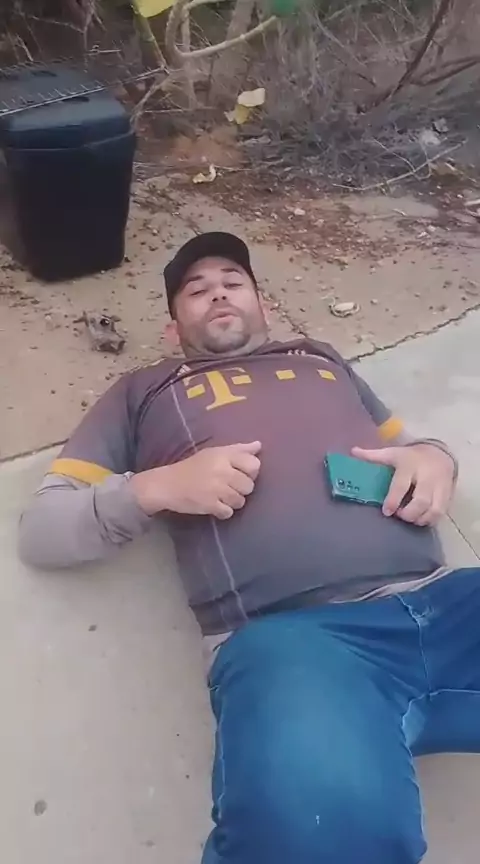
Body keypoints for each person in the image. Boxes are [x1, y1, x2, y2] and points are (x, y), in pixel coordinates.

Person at [19, 232, 478, 864]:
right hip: (299, 641)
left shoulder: (322, 358)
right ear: (172, 327)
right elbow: (43, 530)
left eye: (233, 282)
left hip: (450, 604)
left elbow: (411, 446)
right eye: (197, 291)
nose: (219, 294)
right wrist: (155, 488)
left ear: (263, 305)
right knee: (320, 829)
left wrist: (435, 457)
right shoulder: (142, 391)